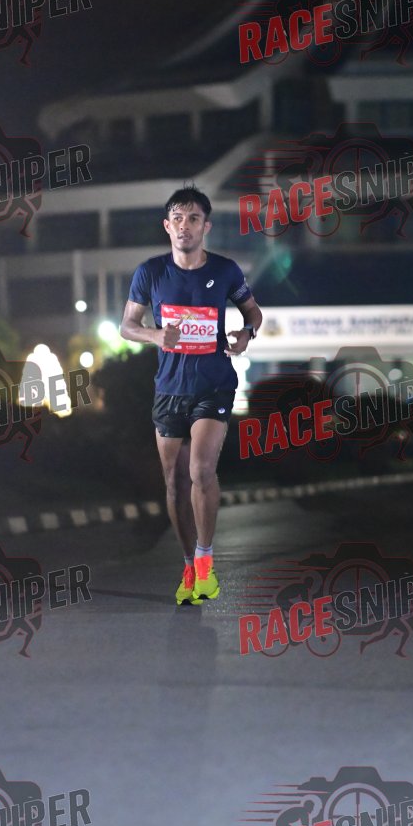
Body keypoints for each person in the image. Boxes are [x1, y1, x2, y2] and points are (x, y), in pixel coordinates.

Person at [120, 186, 262, 604]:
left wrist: (246, 334)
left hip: (214, 384)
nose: (185, 226)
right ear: (167, 226)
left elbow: (253, 312)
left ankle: (204, 561)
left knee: (200, 470)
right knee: (175, 483)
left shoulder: (225, 270)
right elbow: (127, 325)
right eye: (178, 219)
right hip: (169, 389)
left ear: (206, 226)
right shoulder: (150, 272)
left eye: (194, 218)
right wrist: (154, 335)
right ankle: (187, 565)